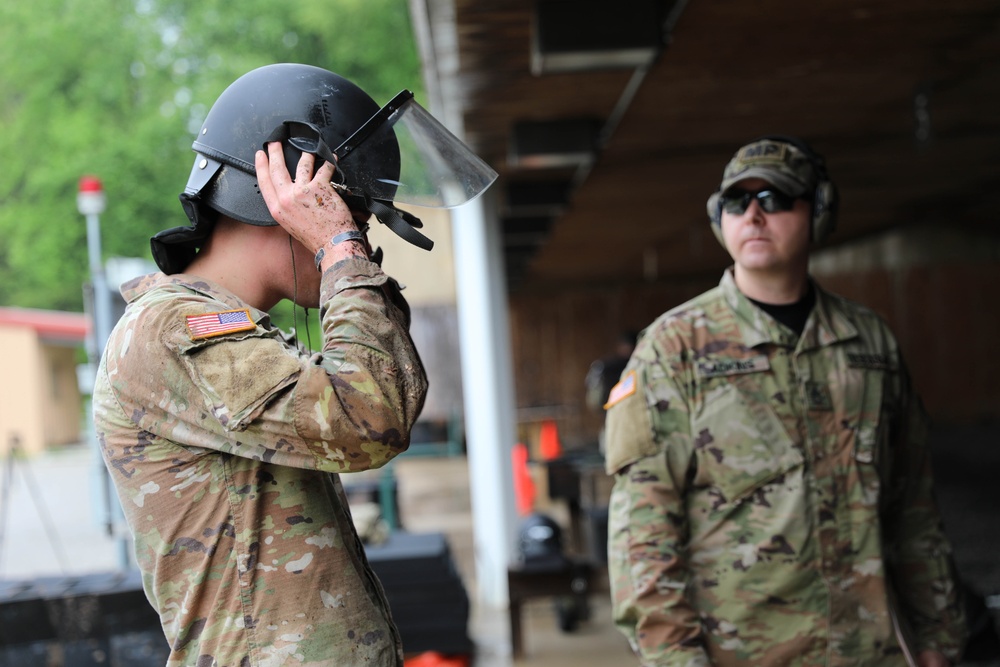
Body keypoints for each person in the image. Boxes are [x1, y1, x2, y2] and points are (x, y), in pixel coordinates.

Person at [92, 63, 493, 666]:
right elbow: (370, 419)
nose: (359, 239)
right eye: (353, 215)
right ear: (288, 194)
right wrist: (338, 248)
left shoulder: (242, 334)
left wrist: (345, 261)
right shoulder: (175, 330)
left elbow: (387, 393)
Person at [603, 136, 967, 666]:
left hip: (871, 650)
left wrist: (938, 638)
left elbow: (912, 507)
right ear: (718, 218)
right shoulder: (674, 348)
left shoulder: (871, 343)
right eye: (736, 201)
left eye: (775, 198)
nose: (753, 215)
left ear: (819, 211)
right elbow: (644, 531)